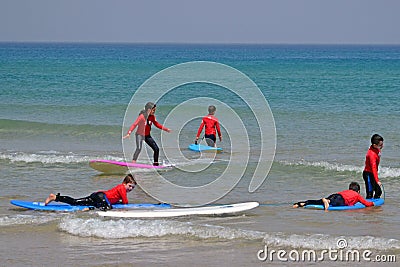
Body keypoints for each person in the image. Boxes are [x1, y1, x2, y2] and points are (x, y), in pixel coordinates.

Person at [44, 174, 136, 210]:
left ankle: (55, 197)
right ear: (124, 183)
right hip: (101, 196)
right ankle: (90, 208)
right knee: (108, 208)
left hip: (97, 197)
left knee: (75, 202)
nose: (130, 189)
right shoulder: (122, 188)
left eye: (133, 187)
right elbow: (125, 202)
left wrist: (117, 201)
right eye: (130, 186)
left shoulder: (121, 188)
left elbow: (115, 198)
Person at [292, 182, 374, 211]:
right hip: (340, 199)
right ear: (358, 191)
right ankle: (327, 201)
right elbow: (366, 203)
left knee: (319, 202)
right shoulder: (357, 195)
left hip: (336, 195)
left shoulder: (346, 191)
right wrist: (373, 204)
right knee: (331, 202)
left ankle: (301, 204)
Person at [363, 134, 384, 199]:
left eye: (382, 144)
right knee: (370, 193)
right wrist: (377, 181)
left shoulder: (376, 149)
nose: (382, 146)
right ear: (374, 145)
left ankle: (373, 208)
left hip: (372, 174)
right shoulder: (372, 154)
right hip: (368, 174)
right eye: (380, 145)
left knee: (378, 192)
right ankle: (368, 207)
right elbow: (373, 168)